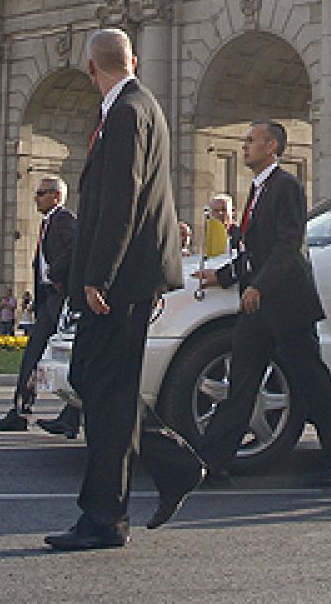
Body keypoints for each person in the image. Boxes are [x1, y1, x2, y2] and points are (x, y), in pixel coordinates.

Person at [46, 28, 205, 551]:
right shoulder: (138, 107)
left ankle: (105, 516)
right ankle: (169, 465)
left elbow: (122, 200)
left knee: (102, 386)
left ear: (91, 69)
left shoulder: (128, 112)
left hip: (119, 281)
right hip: (125, 277)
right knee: (96, 383)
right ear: (131, 59)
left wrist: (98, 276)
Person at [195, 121, 331, 487]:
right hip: (259, 306)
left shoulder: (286, 186)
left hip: (287, 303)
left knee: (312, 381)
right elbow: (257, 250)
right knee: (242, 380)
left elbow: (288, 245)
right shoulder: (257, 188)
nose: (244, 147)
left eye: (251, 141)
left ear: (271, 147)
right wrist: (221, 276)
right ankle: (212, 460)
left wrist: (259, 287)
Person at [0, 175, 81, 434]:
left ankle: (28, 412)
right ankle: (43, 413)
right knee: (45, 354)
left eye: (40, 194)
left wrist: (55, 273)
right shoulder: (49, 222)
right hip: (48, 297)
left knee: (40, 353)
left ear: (56, 196)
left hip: (59, 298)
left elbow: (75, 247)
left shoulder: (64, 219)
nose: (36, 198)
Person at [202, 194, 233, 258]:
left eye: (224, 210)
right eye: (216, 210)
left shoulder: (240, 233)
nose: (220, 213)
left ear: (231, 212)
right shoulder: (206, 233)